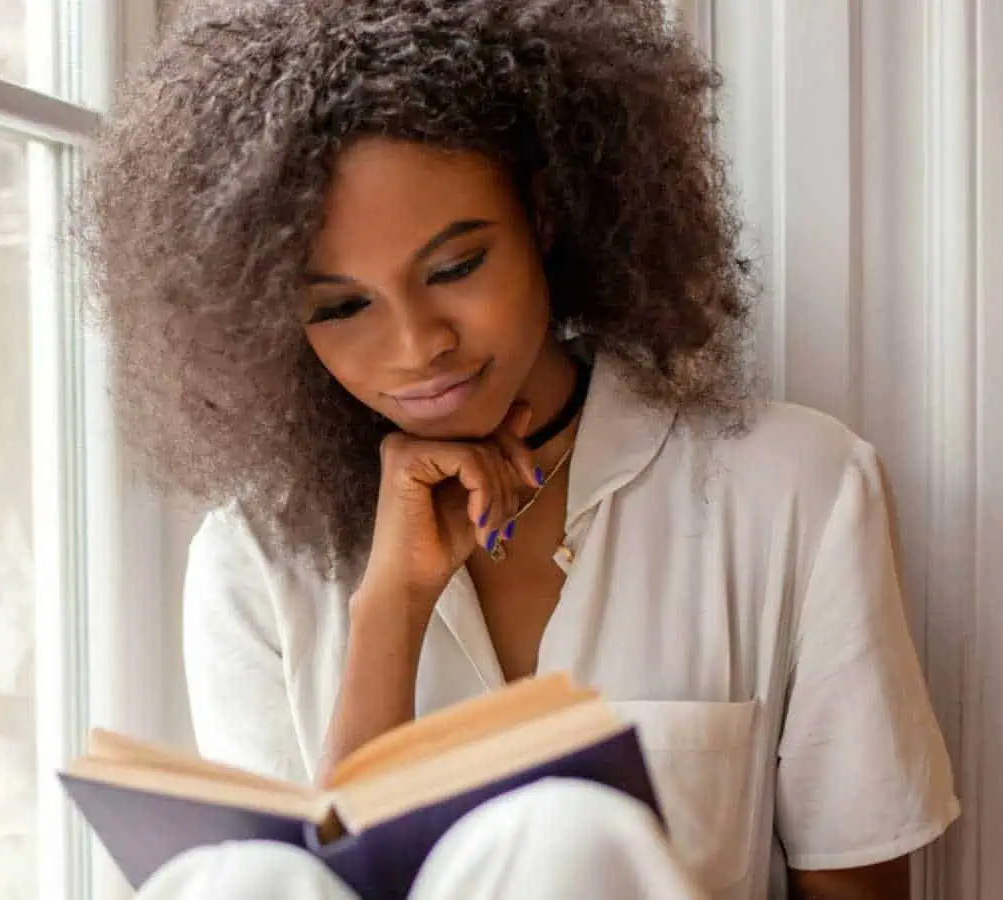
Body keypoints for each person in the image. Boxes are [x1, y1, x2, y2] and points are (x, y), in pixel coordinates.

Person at [79, 1, 959, 898]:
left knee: (561, 837)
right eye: (342, 307)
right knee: (242, 882)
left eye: (455, 268)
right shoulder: (252, 560)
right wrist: (391, 607)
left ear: (542, 215)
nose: (418, 346)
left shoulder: (793, 491)